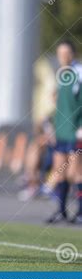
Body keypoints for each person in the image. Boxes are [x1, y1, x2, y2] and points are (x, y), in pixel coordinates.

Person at [46, 40, 82, 224]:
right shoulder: (62, 74)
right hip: (61, 130)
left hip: (76, 131)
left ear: (73, 53)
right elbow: (60, 103)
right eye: (61, 53)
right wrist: (53, 125)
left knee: (76, 173)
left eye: (67, 53)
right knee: (59, 171)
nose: (63, 56)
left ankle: (80, 211)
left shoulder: (79, 72)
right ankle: (61, 211)